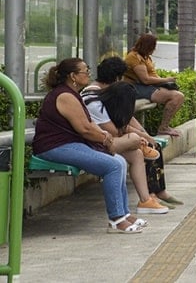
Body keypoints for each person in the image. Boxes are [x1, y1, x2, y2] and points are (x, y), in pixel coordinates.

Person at [31, 58, 150, 234]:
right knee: (113, 165)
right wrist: (105, 139)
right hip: (55, 147)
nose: (88, 74)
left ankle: (124, 214)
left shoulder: (73, 94)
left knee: (119, 161)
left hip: (70, 144)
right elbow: (85, 129)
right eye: (84, 71)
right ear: (73, 76)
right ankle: (116, 219)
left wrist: (104, 136)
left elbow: (89, 124)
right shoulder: (64, 96)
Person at [82, 57, 184, 213]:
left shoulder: (107, 91)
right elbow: (114, 129)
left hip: (110, 137)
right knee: (141, 142)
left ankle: (150, 197)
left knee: (143, 147)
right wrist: (141, 136)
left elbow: (125, 116)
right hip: (99, 140)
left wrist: (145, 133)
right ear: (117, 78)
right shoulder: (94, 97)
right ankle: (152, 194)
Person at [123, 33, 185, 137]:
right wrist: (166, 79)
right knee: (177, 96)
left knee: (178, 95)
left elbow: (152, 75)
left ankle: (165, 126)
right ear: (147, 46)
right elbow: (145, 80)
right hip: (136, 87)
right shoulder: (134, 57)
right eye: (153, 46)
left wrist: (166, 83)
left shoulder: (145, 57)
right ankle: (163, 128)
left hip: (147, 87)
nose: (155, 49)